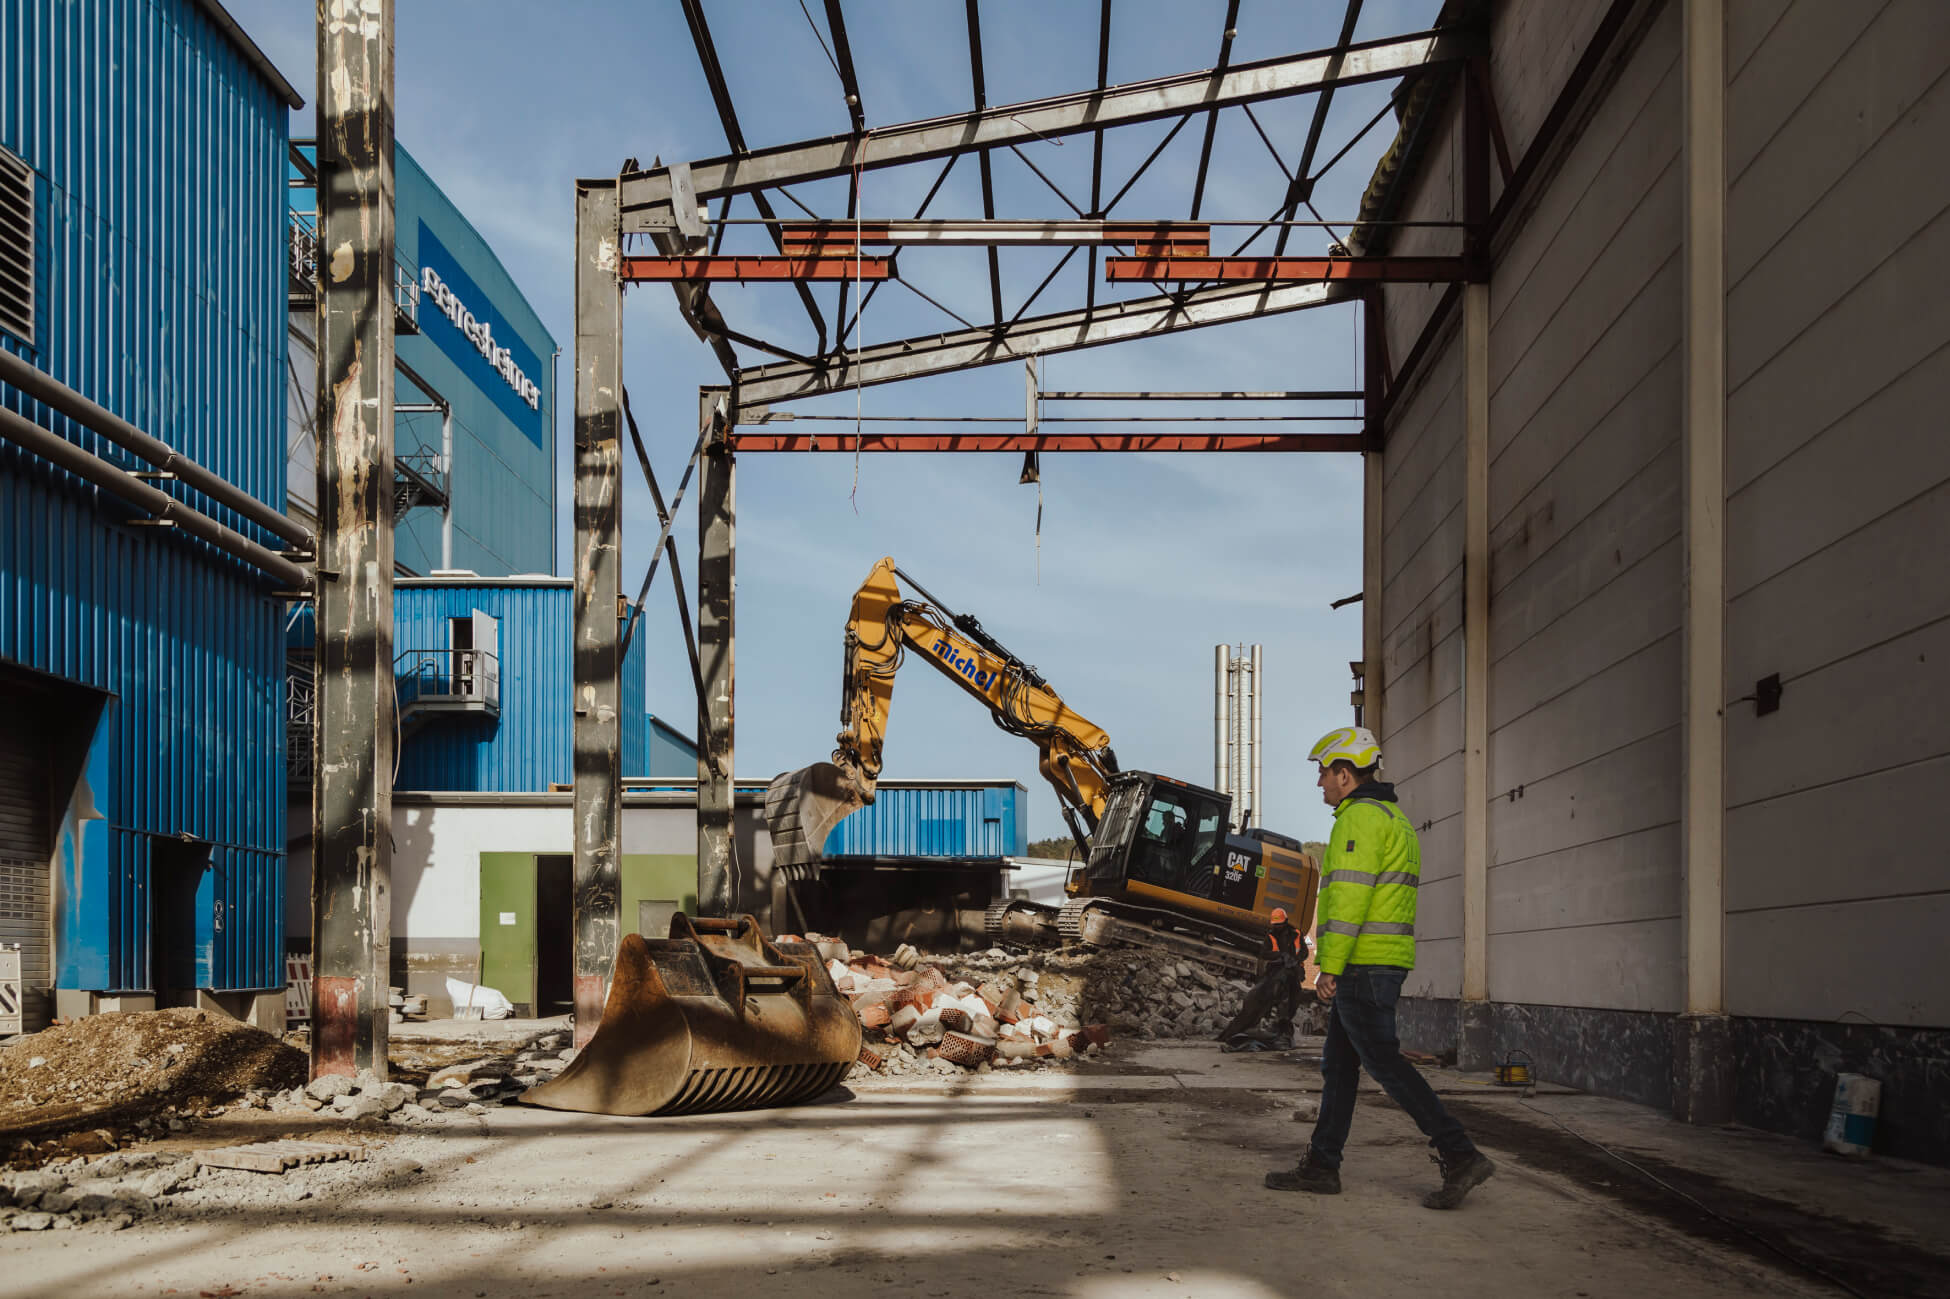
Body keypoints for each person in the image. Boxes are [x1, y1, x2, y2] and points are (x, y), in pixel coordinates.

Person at [1264, 726, 1495, 1210]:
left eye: (1324, 773)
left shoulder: (1359, 820)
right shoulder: (1395, 819)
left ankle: (1460, 1153)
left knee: (1385, 1064)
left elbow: (1349, 900)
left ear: (1345, 775)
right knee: (1340, 1066)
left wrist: (1330, 967)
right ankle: (1323, 1166)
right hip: (1382, 963)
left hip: (1363, 966)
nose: (1320, 783)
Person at [1216, 907, 1305, 1048]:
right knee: (1263, 997)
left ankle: (1282, 1029)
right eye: (1275, 925)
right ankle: (1267, 1025)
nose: (1278, 927)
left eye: (1280, 924)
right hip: (1276, 971)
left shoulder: (1296, 934)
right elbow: (1264, 953)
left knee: (1292, 999)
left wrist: (1294, 959)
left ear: (1286, 922)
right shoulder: (1270, 936)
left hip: (1292, 971)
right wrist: (1280, 956)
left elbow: (1304, 952)